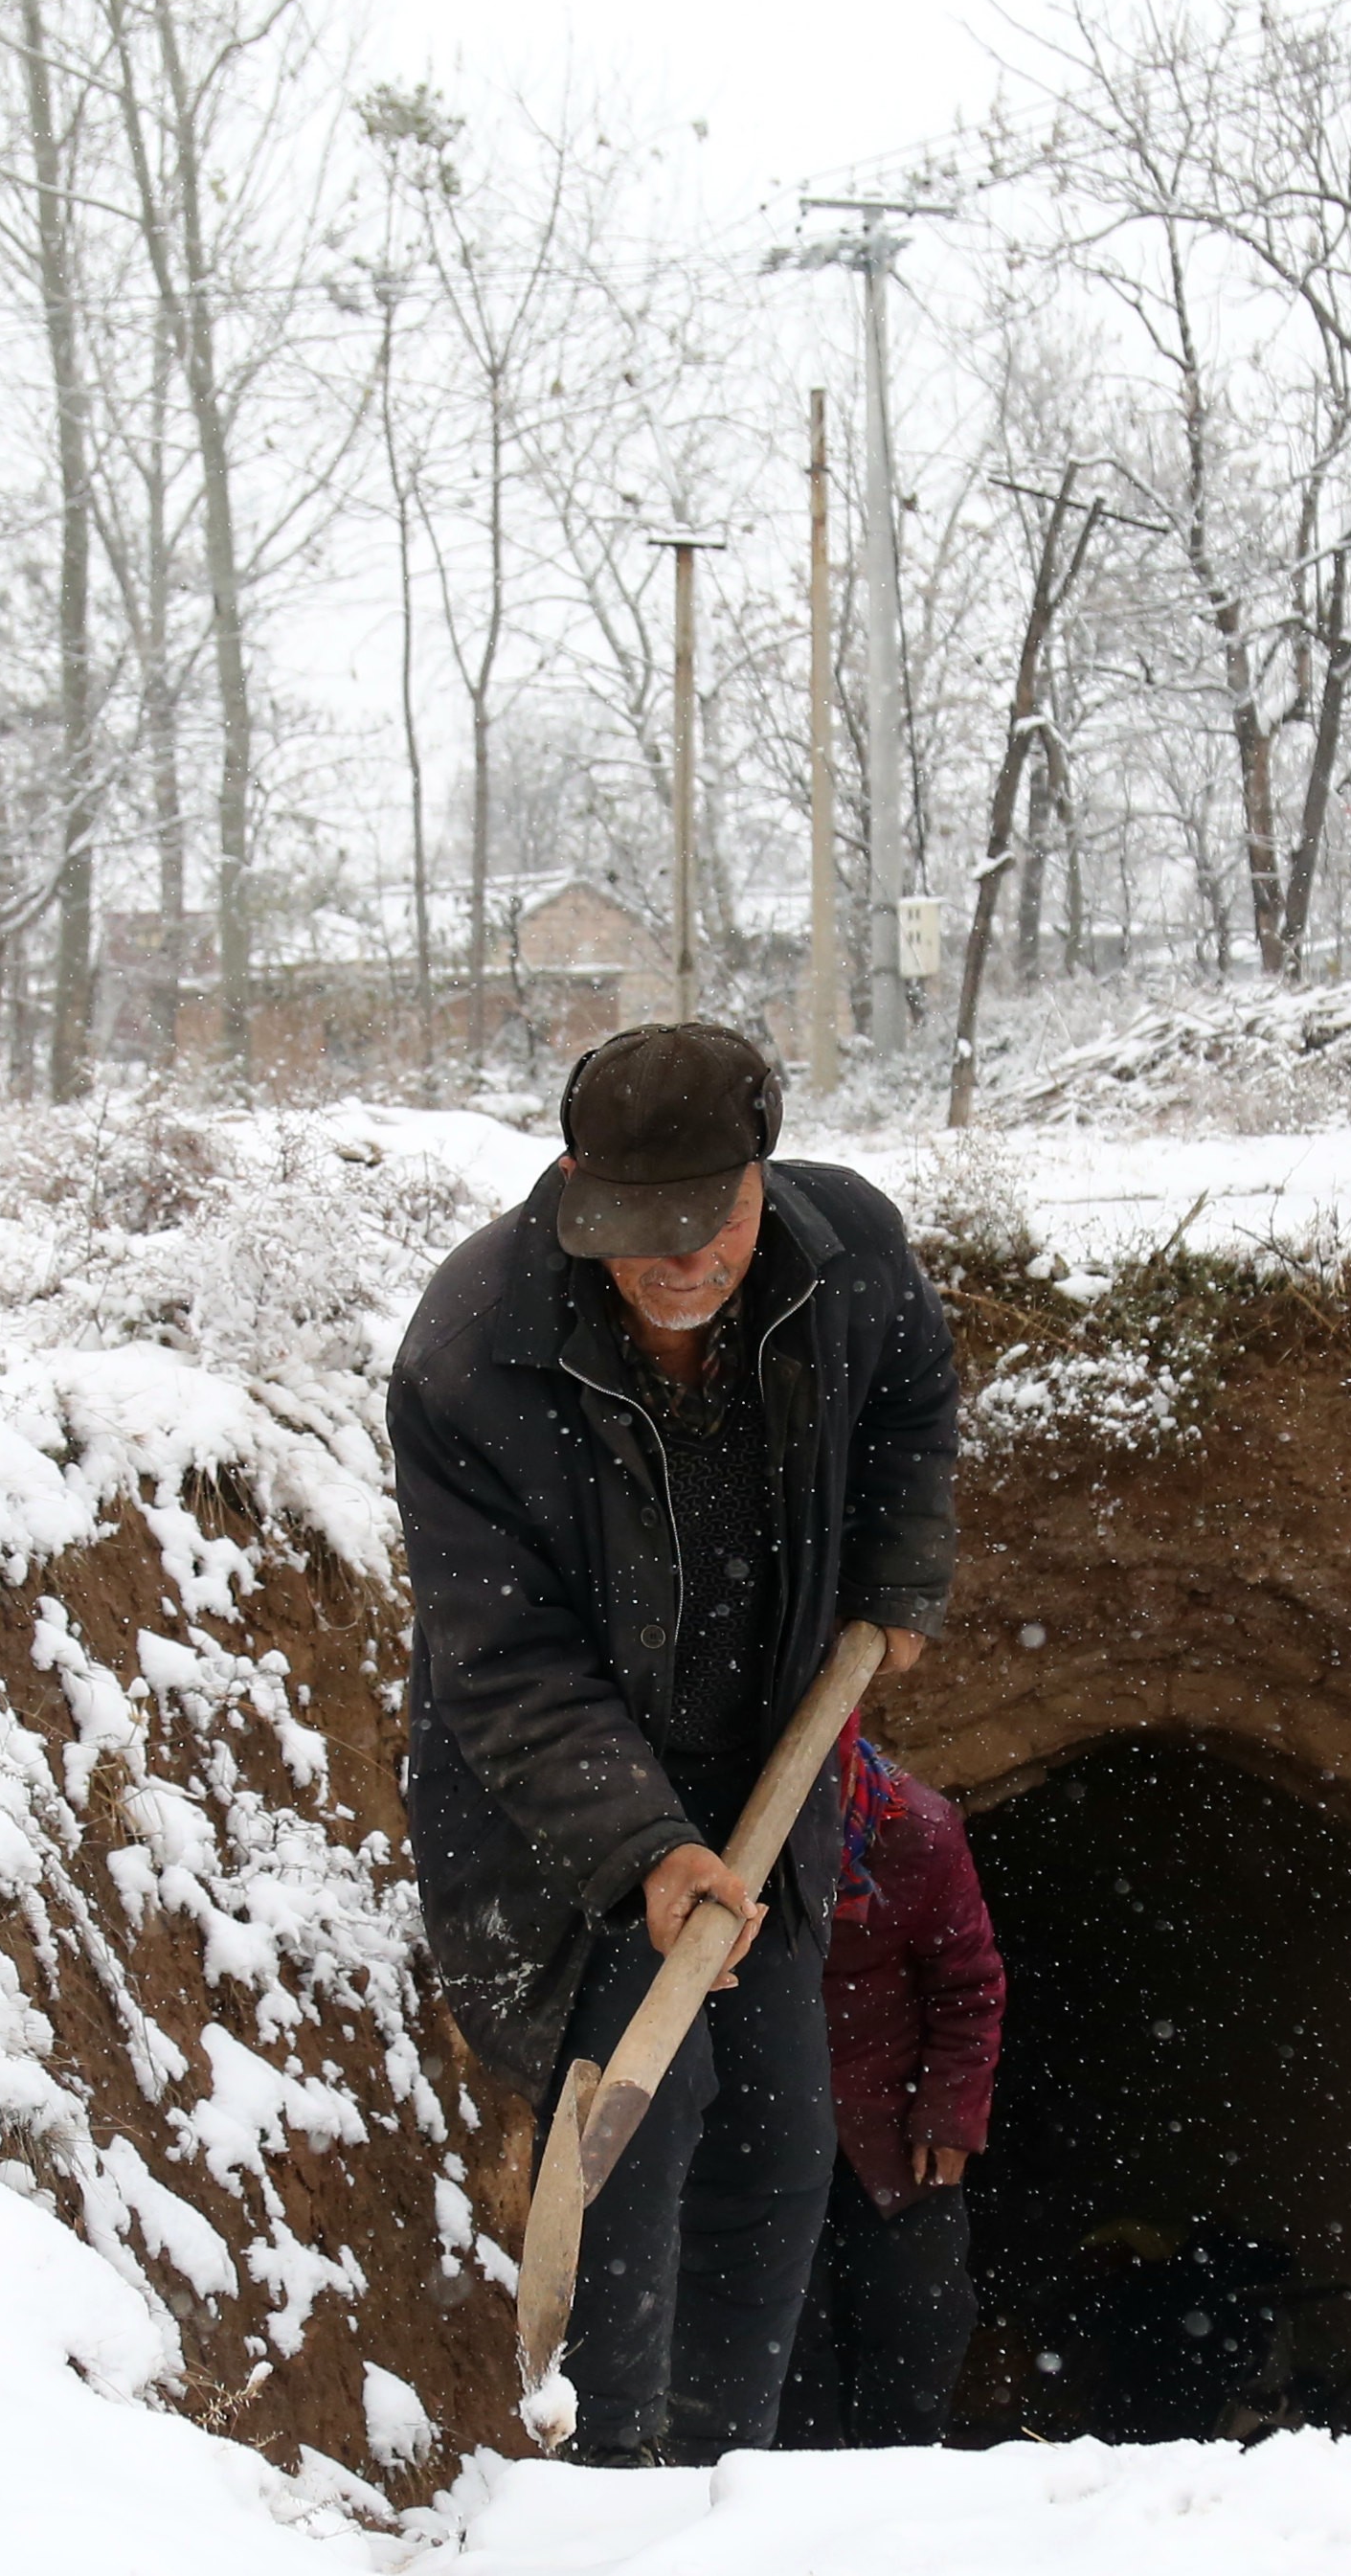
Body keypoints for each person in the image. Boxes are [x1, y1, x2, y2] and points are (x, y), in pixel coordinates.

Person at [388, 1021, 957, 2465]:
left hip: (764, 1757)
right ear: (577, 1182)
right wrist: (642, 1842)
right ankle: (612, 2482)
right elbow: (505, 1658)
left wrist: (896, 1577)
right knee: (638, 2129)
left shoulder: (850, 1255)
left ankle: (725, 2482)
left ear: (763, 1179)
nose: (679, 1261)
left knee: (776, 2132)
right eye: (639, 1228)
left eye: (709, 1220)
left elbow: (909, 1401)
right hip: (561, 1803)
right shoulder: (476, 1355)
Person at [780, 1721, 1005, 2448]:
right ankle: (784, 2505)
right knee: (784, 2332)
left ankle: (896, 2493)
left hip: (889, 2124)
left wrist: (947, 2114)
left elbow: (968, 1985)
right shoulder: (730, 1834)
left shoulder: (919, 1831)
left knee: (921, 2320)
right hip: (766, 2117)